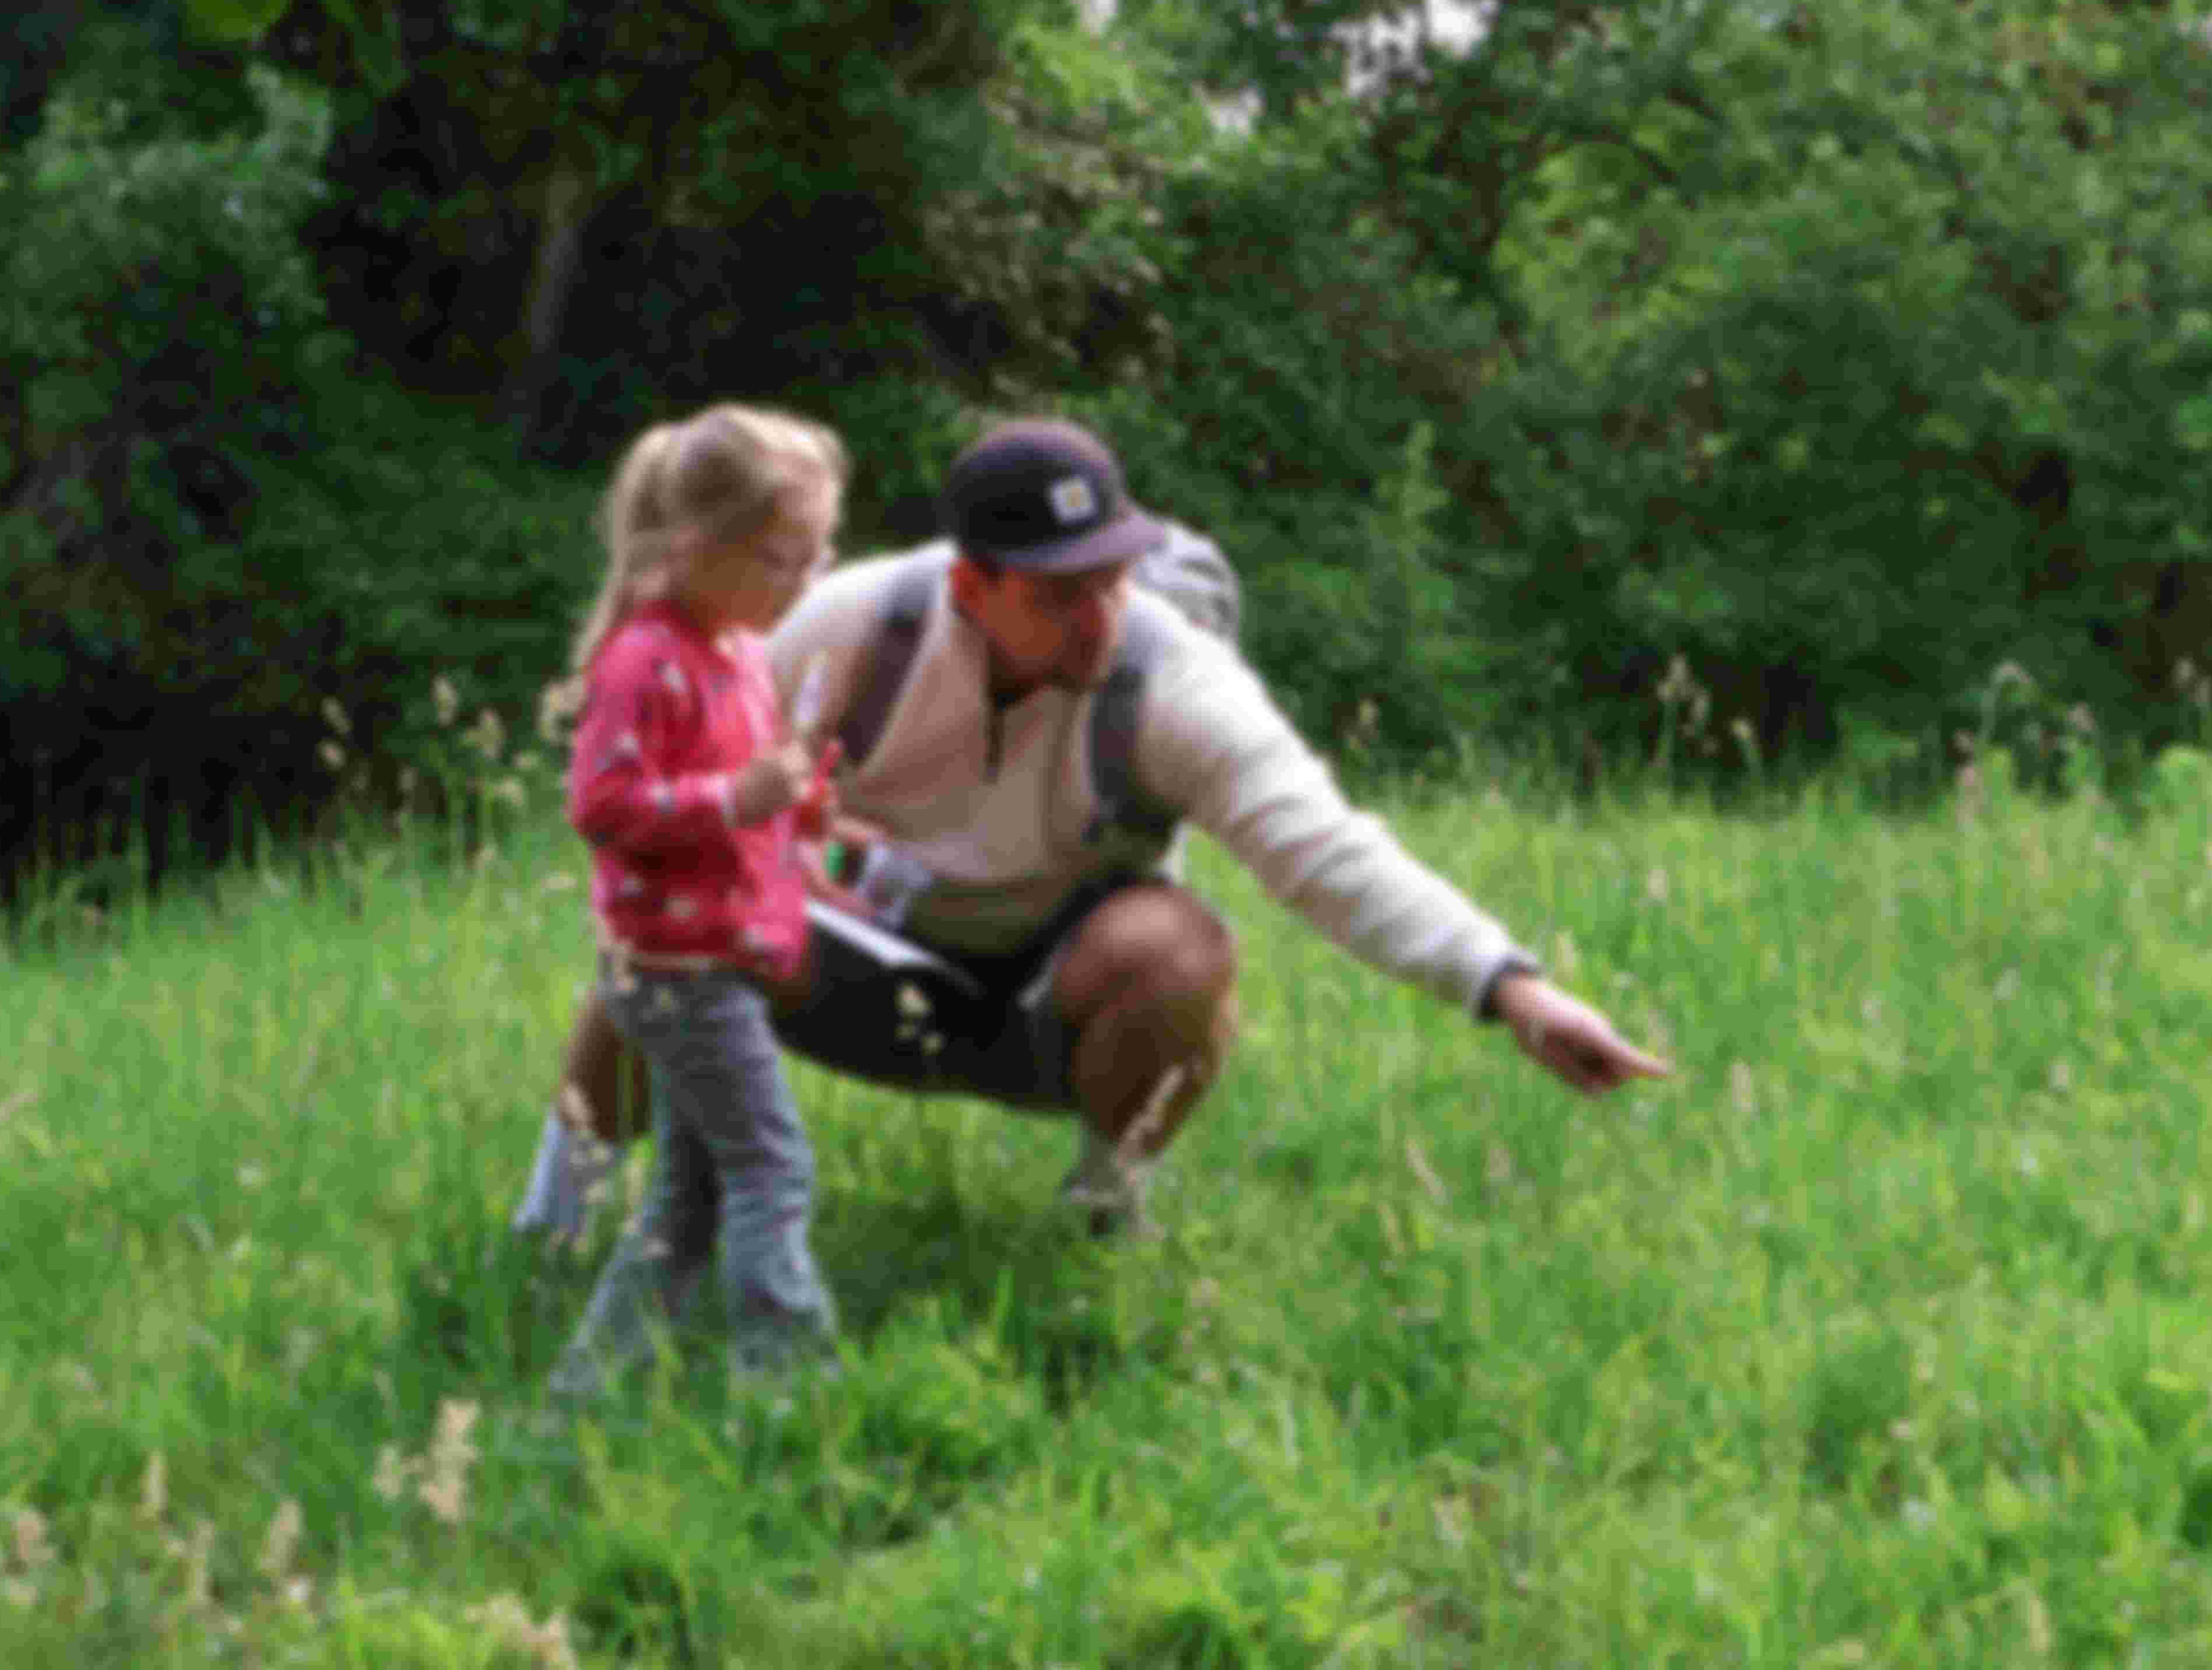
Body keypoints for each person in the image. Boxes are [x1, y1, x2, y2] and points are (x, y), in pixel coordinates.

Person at [511, 416, 1667, 1248]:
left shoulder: (1177, 681)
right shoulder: (853, 621)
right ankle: (556, 1221)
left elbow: (1328, 850)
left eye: (1112, 575)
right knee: (657, 936)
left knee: (1184, 951)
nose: (1099, 614)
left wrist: (1512, 990)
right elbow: (664, 788)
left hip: (1054, 1002)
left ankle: (1104, 1214)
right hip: (856, 955)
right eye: (1058, 591)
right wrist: (781, 861)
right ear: (973, 584)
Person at [541, 404, 852, 1402]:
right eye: (778, 560)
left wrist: (803, 806)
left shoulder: (742, 651)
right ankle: (787, 1386)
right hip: (674, 971)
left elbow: (747, 788)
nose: (802, 584)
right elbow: (602, 806)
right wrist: (733, 799)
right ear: (693, 547)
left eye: (816, 557)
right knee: (774, 1169)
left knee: (692, 1191)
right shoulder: (645, 659)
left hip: (722, 958)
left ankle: (590, 1389)